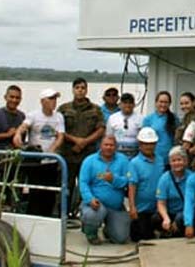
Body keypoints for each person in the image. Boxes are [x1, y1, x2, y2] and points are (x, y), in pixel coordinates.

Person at [12, 88, 65, 217]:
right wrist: (18, 134)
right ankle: (33, 216)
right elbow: (24, 126)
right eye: (51, 99)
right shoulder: (33, 115)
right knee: (35, 192)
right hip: (36, 162)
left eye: (55, 99)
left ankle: (47, 217)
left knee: (50, 194)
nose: (54, 102)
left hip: (51, 161)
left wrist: (52, 150)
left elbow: (60, 136)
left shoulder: (58, 117)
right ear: (43, 101)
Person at [59, 78, 105, 214]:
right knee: (67, 186)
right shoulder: (63, 108)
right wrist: (76, 141)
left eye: (83, 88)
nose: (80, 90)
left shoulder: (96, 109)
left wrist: (84, 142)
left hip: (88, 155)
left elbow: (101, 129)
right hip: (68, 154)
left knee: (87, 186)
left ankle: (83, 213)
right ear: (73, 89)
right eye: (77, 87)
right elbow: (58, 129)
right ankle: (64, 214)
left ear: (86, 90)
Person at [79, 133, 131, 245]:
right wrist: (90, 199)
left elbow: (127, 181)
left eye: (111, 145)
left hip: (116, 206)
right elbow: (83, 183)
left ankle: (108, 230)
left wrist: (113, 179)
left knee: (121, 238)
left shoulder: (123, 160)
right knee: (93, 215)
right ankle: (91, 233)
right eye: (106, 145)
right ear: (100, 146)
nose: (108, 147)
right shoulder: (89, 161)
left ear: (116, 147)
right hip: (96, 204)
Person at [127, 128, 163, 242]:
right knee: (143, 237)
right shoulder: (134, 163)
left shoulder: (160, 160)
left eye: (152, 144)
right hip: (142, 210)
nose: (149, 147)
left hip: (159, 208)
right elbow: (132, 186)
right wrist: (132, 207)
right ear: (140, 145)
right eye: (146, 144)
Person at [156, 146, 191, 237]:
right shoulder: (164, 178)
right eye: (173, 161)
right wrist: (166, 218)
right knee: (156, 218)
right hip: (170, 212)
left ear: (185, 161)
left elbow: (194, 202)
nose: (176, 163)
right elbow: (161, 203)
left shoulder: (192, 178)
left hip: (186, 212)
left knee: (180, 218)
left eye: (179, 160)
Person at [142, 91, 177, 170]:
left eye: (166, 102)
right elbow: (143, 141)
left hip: (170, 159)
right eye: (161, 102)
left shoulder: (174, 119)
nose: (163, 105)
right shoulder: (148, 119)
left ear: (169, 104)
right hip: (154, 158)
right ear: (156, 102)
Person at [106, 92, 143, 157]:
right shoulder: (112, 118)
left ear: (134, 105)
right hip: (117, 155)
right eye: (125, 103)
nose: (127, 105)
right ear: (120, 104)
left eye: (130, 103)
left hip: (135, 155)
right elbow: (109, 137)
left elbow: (143, 140)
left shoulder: (141, 119)